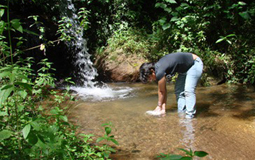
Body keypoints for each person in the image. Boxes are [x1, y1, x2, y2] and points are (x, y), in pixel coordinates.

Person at [139, 52, 203, 118]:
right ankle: (181, 113)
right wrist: (163, 108)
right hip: (184, 69)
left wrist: (159, 106)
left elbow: (161, 91)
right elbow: (164, 90)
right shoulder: (159, 67)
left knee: (188, 90)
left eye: (149, 77)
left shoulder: (159, 71)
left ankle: (189, 116)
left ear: (152, 71)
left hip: (194, 64)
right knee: (179, 91)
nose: (150, 80)